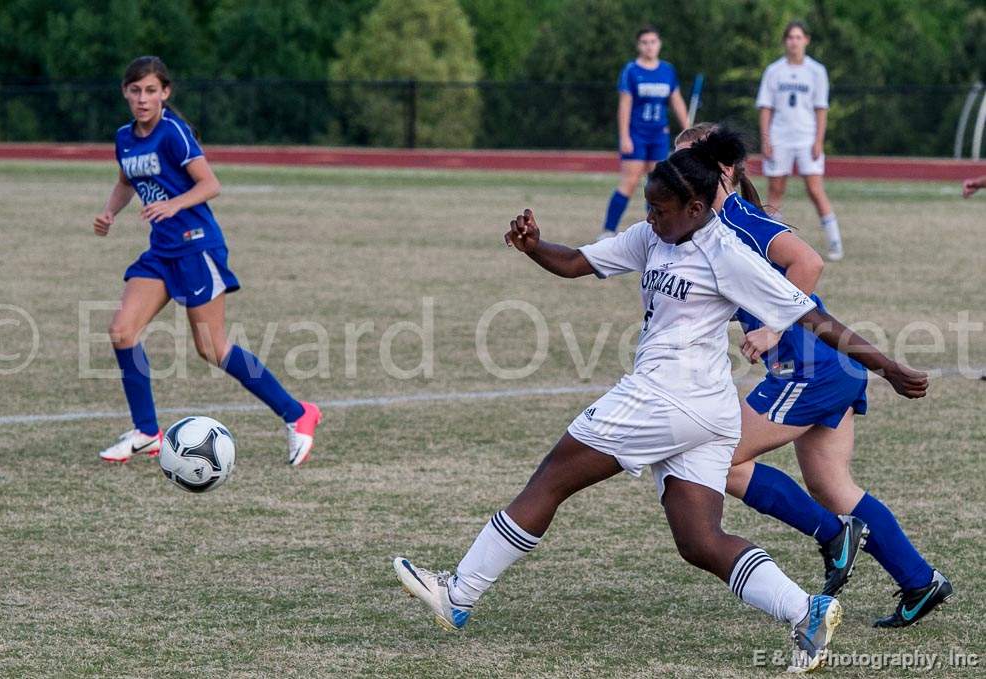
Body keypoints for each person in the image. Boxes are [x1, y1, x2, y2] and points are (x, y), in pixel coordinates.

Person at [393, 130, 928, 672]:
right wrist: (535, 247)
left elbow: (813, 316)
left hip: (665, 398)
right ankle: (808, 611)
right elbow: (578, 261)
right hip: (705, 410)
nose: (650, 216)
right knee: (699, 541)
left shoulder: (727, 252)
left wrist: (886, 367)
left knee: (552, 477)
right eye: (648, 206)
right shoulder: (655, 236)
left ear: (697, 207)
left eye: (660, 209)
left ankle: (459, 593)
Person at [674, 123, 953, 628]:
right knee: (835, 486)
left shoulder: (738, 220)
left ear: (719, 171)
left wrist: (773, 329)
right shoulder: (712, 224)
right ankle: (920, 580)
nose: (675, 173)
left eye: (684, 162)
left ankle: (832, 534)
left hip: (808, 369)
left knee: (722, 459)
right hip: (829, 366)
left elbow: (808, 261)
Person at [93, 56, 321, 465]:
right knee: (122, 332)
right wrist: (111, 211)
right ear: (125, 93)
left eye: (150, 90)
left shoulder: (174, 133)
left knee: (212, 348)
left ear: (165, 93)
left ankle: (298, 413)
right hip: (161, 251)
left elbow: (210, 184)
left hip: (197, 246)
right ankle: (147, 433)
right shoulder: (125, 138)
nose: (142, 99)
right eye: (135, 90)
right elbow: (126, 182)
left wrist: (174, 204)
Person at [757, 21, 843, 261]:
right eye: (790, 37)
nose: (794, 42)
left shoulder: (816, 71)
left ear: (806, 40)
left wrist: (818, 140)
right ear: (785, 41)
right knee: (776, 189)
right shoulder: (774, 70)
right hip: (780, 137)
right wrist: (766, 139)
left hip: (806, 137)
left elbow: (821, 108)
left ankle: (835, 241)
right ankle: (771, 243)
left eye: (798, 37)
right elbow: (765, 107)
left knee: (815, 189)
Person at [599, 25, 689, 240]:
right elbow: (625, 105)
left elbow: (676, 101)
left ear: (659, 44)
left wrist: (688, 131)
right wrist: (624, 136)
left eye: (653, 42)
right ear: (638, 45)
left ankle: (654, 229)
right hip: (636, 134)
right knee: (629, 183)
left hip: (658, 135)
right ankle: (608, 230)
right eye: (645, 42)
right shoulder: (631, 71)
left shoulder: (667, 70)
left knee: (657, 185)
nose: (649, 46)